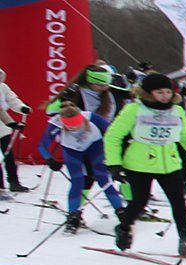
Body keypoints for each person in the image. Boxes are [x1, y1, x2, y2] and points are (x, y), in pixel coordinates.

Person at [104, 72, 186, 256]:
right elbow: (113, 136)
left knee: (178, 202)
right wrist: (114, 164)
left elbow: (185, 137)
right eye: (159, 92)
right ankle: (123, 228)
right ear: (148, 93)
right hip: (139, 164)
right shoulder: (134, 110)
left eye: (168, 92)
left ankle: (185, 240)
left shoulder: (177, 111)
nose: (165, 96)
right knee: (139, 201)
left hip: (169, 164)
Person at [36, 102, 126, 230]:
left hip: (95, 146)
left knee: (103, 179)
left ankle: (121, 211)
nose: (76, 128)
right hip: (72, 151)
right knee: (77, 182)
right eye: (71, 127)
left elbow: (112, 133)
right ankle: (73, 216)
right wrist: (50, 159)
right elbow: (42, 145)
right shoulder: (56, 123)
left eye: (78, 124)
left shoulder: (90, 117)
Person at [1, 67, 30, 196]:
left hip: (2, 128)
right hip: (4, 122)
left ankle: (14, 182)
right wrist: (11, 123)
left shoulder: (3, 87)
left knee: (8, 155)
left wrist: (22, 108)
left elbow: (12, 100)